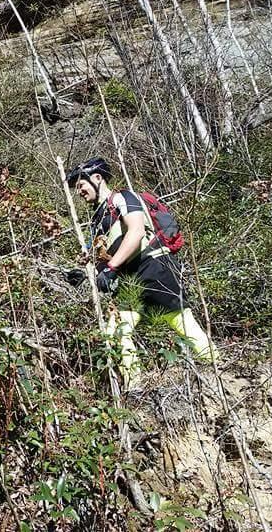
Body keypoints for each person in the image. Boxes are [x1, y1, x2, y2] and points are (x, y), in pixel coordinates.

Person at [66, 157, 217, 386]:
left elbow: (135, 233)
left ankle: (216, 371)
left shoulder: (124, 198)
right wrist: (84, 273)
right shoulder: (98, 218)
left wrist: (111, 267)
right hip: (128, 279)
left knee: (181, 322)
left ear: (97, 178)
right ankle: (134, 386)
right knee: (117, 332)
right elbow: (103, 255)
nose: (79, 192)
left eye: (81, 185)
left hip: (154, 268)